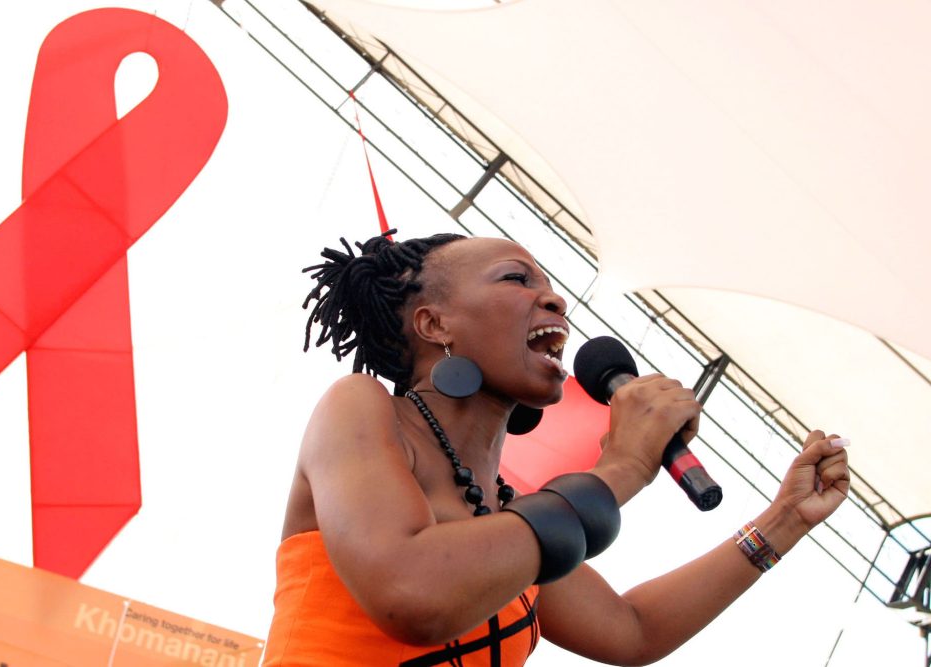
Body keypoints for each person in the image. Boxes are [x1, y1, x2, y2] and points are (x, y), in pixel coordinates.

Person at [262, 231, 850, 666]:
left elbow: (632, 630)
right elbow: (413, 596)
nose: (554, 300)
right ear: (434, 325)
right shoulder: (360, 408)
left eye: (550, 287)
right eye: (517, 279)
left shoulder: (512, 522)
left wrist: (785, 520)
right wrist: (623, 467)